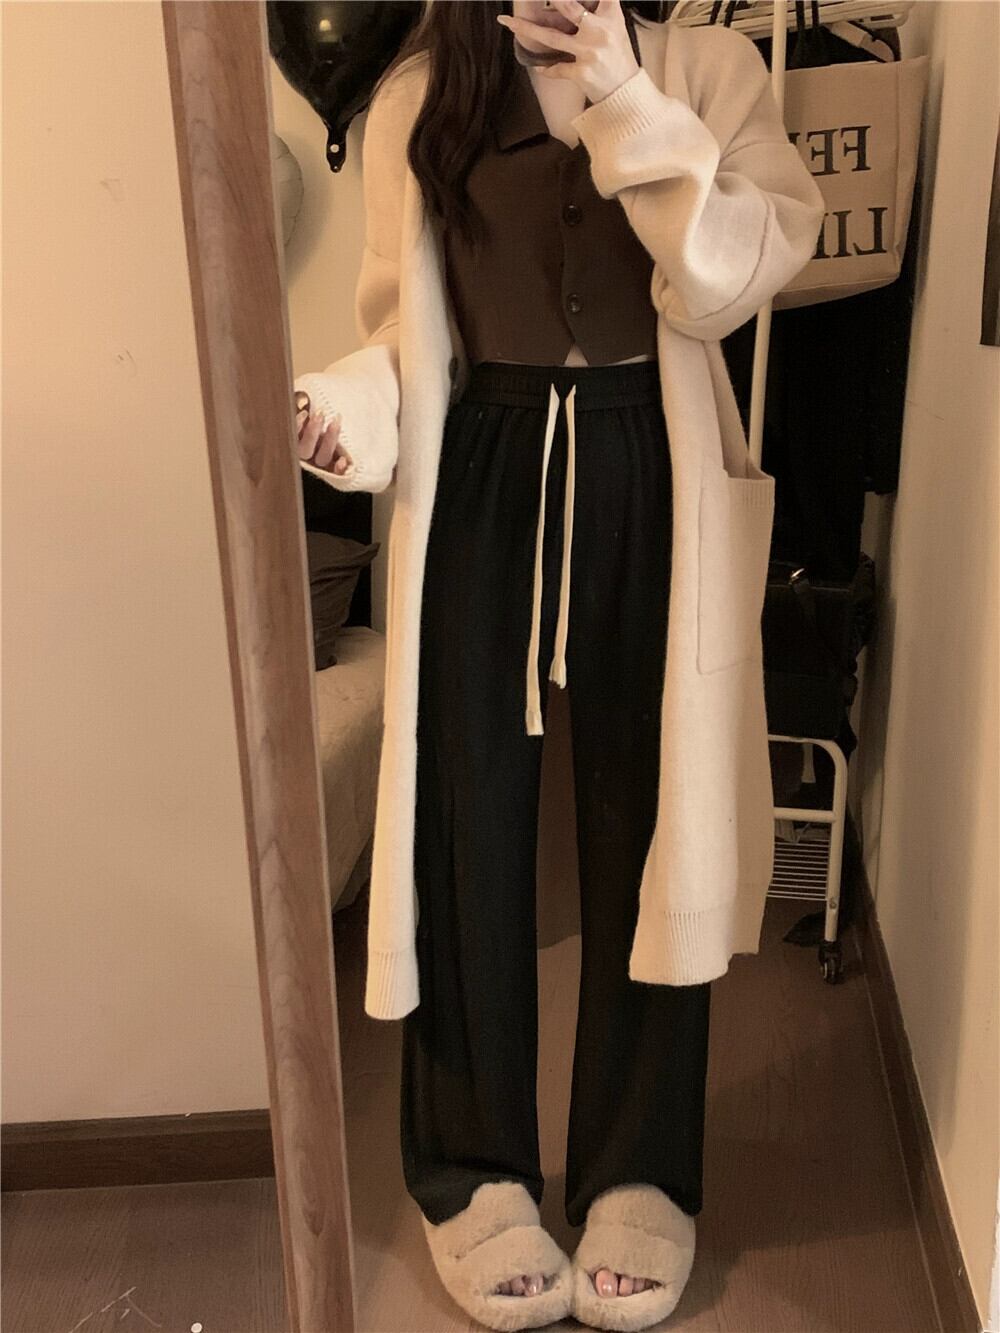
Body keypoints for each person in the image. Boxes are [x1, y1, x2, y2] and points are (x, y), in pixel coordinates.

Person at [294, 3, 824, 1329]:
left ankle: (640, 1173)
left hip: (655, 467)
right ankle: (472, 1172)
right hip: (481, 468)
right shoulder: (423, 90)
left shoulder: (714, 71)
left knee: (652, 823)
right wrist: (345, 410)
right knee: (465, 820)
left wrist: (627, 95)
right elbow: (402, 334)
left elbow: (733, 277)